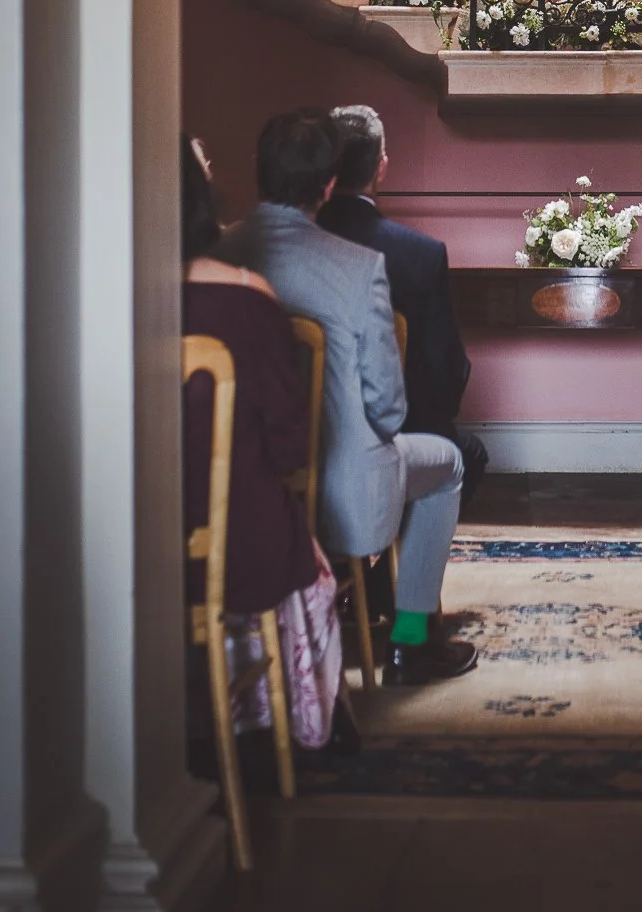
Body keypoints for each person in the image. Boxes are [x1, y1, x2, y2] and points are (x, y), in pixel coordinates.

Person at [217, 109, 477, 685]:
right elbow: (386, 407)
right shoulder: (360, 268)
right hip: (344, 492)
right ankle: (411, 641)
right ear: (329, 183)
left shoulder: (219, 251)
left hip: (238, 486)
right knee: (450, 464)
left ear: (258, 168)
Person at [181, 135, 348, 751]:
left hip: (123, 545)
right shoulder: (247, 296)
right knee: (311, 567)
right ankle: (305, 721)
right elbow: (288, 446)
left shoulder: (92, 303)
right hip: (237, 543)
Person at [318, 104, 489, 509]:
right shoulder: (420, 254)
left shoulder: (289, 247)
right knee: (468, 454)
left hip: (305, 430)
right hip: (393, 430)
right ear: (381, 168)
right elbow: (445, 373)